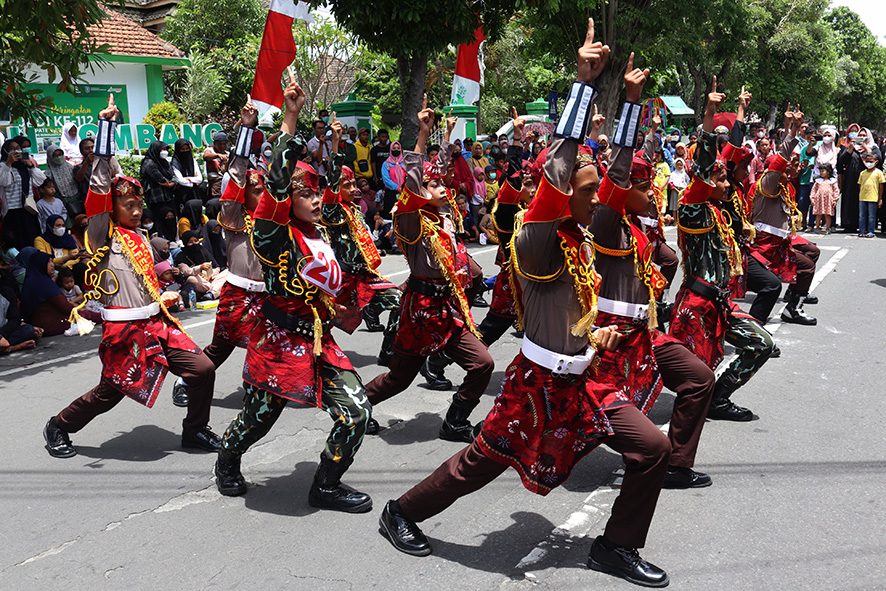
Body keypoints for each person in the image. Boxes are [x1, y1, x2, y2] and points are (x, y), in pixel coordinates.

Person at [380, 31, 676, 588]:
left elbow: (613, 178)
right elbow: (561, 172)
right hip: (536, 384)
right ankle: (400, 512)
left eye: (595, 193)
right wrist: (584, 86)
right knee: (479, 463)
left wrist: (631, 107)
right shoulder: (536, 240)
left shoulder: (581, 236)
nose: (599, 198)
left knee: (654, 447)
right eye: (585, 193)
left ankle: (615, 547)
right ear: (563, 195)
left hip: (586, 381)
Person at [214, 75, 373, 513]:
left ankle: (325, 484)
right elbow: (278, 184)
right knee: (258, 419)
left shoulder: (319, 233)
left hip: (319, 341)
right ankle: (227, 459)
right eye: (305, 193)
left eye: (315, 190)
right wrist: (290, 117)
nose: (315, 198)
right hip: (278, 343)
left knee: (357, 413)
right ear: (285, 201)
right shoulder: (271, 235)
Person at [42, 95, 221, 460]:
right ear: (112, 208)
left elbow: (144, 275)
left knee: (202, 369)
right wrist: (106, 129)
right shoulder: (101, 233)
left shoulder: (137, 236)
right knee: (111, 390)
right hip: (125, 330)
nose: (138, 211)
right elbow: (100, 187)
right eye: (129, 205)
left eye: (140, 205)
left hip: (159, 323)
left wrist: (176, 279)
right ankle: (59, 425)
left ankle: (195, 429)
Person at [589, 52, 716, 496]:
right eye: (644, 186)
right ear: (623, 192)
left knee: (699, 378)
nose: (654, 190)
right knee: (594, 416)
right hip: (607, 336)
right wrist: (631, 101)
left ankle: (676, 465)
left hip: (643, 329)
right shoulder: (605, 222)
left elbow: (664, 259)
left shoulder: (638, 226)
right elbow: (621, 167)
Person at [362, 98, 494, 444]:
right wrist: (422, 136)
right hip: (419, 311)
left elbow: (444, 172)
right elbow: (413, 181)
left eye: (441, 186)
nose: (443, 189)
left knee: (482, 364)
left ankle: (455, 420)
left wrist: (445, 138)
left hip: (448, 309)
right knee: (399, 379)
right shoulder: (410, 221)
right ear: (420, 191)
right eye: (434, 186)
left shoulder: (442, 218)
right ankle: (357, 408)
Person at [670, 82, 774, 422]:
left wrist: (739, 116)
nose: (727, 184)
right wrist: (708, 120)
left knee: (762, 345)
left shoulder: (715, 208)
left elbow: (729, 155)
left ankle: (718, 398)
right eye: (720, 180)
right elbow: (704, 167)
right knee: (679, 377)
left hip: (720, 302)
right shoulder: (692, 209)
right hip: (696, 308)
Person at [321, 115, 401, 368]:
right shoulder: (331, 210)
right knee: (320, 323)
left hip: (365, 276)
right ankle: (316, 360)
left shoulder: (354, 209)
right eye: (348, 184)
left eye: (355, 183)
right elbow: (332, 183)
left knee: (400, 302)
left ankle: (388, 352)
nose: (354, 188)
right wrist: (335, 143)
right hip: (340, 282)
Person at [750, 106, 820, 325]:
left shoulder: (784, 186)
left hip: (780, 241)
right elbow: (781, 158)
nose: (793, 167)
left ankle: (793, 301)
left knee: (811, 252)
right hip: (764, 246)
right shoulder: (767, 184)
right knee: (800, 268)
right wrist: (793, 131)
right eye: (788, 165)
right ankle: (785, 311)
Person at [837, 126, 881, 234]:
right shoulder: (852, 147)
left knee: (866, 203)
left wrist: (865, 147)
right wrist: (851, 148)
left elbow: (877, 158)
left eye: (863, 135)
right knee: (850, 201)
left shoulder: (873, 147)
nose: (861, 137)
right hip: (851, 180)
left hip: (868, 180)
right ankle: (849, 224)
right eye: (859, 135)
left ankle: (866, 226)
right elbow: (842, 161)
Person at [20, 250, 74, 336]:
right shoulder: (43, 282)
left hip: (37, 326)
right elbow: (66, 307)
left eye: (52, 262)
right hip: (52, 325)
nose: (52, 265)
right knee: (86, 315)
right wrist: (80, 308)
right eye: (48, 262)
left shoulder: (31, 279)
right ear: (40, 264)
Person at [1, 138, 42, 247]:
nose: (16, 151)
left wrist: (30, 165)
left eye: (18, 148)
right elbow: (4, 182)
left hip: (28, 207)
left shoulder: (25, 166)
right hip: (12, 210)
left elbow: (40, 181)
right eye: (12, 149)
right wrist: (8, 163)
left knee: (31, 236)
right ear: (6, 151)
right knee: (16, 239)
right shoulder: (2, 166)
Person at [34, 214, 89, 280]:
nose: (61, 228)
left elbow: (76, 256)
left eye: (63, 225)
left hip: (67, 265)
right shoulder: (40, 240)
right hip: (53, 267)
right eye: (58, 225)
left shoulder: (68, 238)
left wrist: (67, 265)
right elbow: (44, 260)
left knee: (81, 267)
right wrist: (67, 257)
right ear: (50, 226)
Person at [0, 282, 41, 354]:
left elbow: (14, 318)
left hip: (4, 331)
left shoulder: (7, 292)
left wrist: (2, 336)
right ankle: (13, 348)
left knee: (28, 330)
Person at [44, 144, 81, 213]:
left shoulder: (71, 168)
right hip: (61, 203)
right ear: (50, 157)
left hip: (77, 200)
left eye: (60, 154)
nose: (59, 157)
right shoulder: (48, 174)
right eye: (55, 155)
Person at [140, 141, 175, 209]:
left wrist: (172, 183)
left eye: (166, 150)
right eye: (163, 149)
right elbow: (161, 180)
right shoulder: (149, 163)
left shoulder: (165, 162)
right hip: (156, 198)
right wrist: (173, 183)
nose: (165, 152)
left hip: (169, 197)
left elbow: (174, 175)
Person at [857, 152, 884, 237]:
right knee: (862, 215)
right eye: (867, 161)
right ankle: (861, 231)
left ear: (876, 162)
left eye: (871, 161)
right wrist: (860, 195)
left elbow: (881, 185)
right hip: (863, 198)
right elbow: (860, 185)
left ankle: (871, 231)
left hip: (873, 197)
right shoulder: (862, 173)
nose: (868, 163)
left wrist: (880, 199)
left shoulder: (878, 173)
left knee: (871, 216)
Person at [171, 139, 204, 208]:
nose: (185, 151)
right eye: (182, 149)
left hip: (194, 194)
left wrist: (187, 178)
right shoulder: (175, 163)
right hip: (182, 195)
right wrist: (193, 182)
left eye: (187, 149)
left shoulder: (192, 161)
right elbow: (180, 180)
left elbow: (200, 179)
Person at [811, 163, 839, 233]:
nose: (821, 173)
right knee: (818, 214)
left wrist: (835, 200)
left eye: (823, 171)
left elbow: (836, 190)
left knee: (827, 214)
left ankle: (828, 228)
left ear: (828, 171)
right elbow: (814, 190)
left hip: (828, 200)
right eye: (820, 171)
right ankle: (817, 227)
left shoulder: (832, 181)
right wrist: (812, 198)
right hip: (819, 200)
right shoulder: (818, 181)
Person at [204, 132, 229, 199]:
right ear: (214, 143)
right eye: (219, 144)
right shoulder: (210, 150)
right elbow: (206, 156)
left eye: (224, 144)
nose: (222, 146)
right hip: (214, 184)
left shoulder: (227, 154)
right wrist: (217, 155)